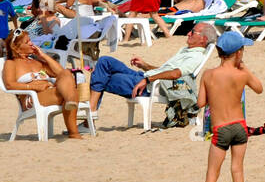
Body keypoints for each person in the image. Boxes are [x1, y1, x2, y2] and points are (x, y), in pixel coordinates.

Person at [87, 21, 216, 123]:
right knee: (104, 61)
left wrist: (147, 80)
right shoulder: (186, 51)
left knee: (102, 77)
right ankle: (91, 113)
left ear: (203, 40)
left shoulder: (195, 57)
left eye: (193, 32)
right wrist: (145, 65)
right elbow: (165, 71)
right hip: (145, 78)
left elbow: (176, 74)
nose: (188, 33)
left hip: (149, 86)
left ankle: (89, 116)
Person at [198, 31, 263, 182]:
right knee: (237, 169)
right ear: (239, 53)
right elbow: (259, 88)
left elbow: (201, 102)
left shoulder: (209, 75)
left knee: (212, 172)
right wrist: (246, 69)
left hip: (220, 128)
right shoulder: (241, 75)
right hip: (240, 126)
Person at [1, 27, 84, 138]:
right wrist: (33, 86)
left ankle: (70, 101)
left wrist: (42, 55)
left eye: (30, 40)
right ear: (16, 48)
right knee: (70, 92)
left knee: (65, 74)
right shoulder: (11, 63)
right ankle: (74, 132)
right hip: (31, 98)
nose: (32, 43)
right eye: (27, 42)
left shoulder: (36, 62)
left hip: (49, 92)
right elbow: (9, 85)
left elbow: (60, 72)